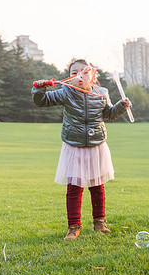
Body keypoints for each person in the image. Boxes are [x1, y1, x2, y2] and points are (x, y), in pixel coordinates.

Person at [33, 59, 130, 240]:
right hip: (74, 145)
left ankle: (99, 222)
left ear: (93, 75)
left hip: (96, 145)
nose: (79, 75)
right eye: (73, 72)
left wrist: (121, 107)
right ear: (68, 79)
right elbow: (43, 101)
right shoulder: (65, 92)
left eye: (84, 72)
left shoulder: (102, 93)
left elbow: (108, 114)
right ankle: (74, 226)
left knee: (97, 186)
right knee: (74, 187)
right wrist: (39, 89)